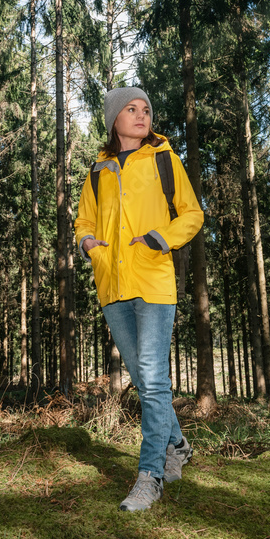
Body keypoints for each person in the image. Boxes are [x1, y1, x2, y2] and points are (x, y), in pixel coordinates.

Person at [75, 86, 203, 512]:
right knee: (146, 380)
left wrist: (158, 239)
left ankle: (149, 477)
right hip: (112, 285)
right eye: (131, 109)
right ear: (114, 119)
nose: (141, 114)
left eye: (146, 108)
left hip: (152, 282)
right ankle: (179, 444)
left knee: (151, 378)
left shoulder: (164, 159)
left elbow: (192, 213)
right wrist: (88, 243)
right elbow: (84, 220)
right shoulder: (98, 171)